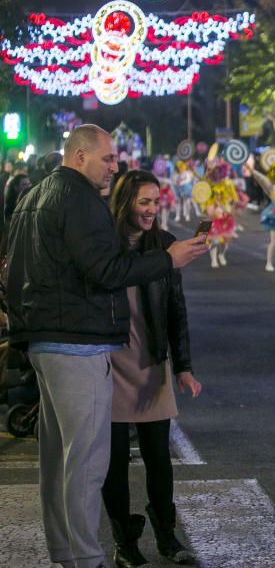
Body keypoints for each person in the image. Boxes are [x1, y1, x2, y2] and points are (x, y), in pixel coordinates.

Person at [4, 125, 207, 568]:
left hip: (43, 343)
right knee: (88, 462)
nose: (115, 167)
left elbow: (11, 271)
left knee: (58, 461)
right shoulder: (79, 200)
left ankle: (66, 552)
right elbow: (106, 270)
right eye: (108, 159)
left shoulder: (31, 197)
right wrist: (167, 259)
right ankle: (85, 556)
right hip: (77, 344)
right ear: (79, 156)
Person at [101, 170, 201, 567]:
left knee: (159, 455)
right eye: (144, 202)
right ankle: (124, 543)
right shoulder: (104, 244)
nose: (151, 210)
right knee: (114, 461)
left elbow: (176, 309)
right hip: (109, 363)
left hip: (151, 361)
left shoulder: (163, 244)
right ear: (126, 203)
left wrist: (184, 367)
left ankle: (166, 537)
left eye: (155, 202)